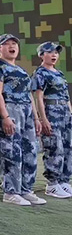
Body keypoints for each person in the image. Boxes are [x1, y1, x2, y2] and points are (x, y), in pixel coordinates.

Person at [0, 34, 45, 206]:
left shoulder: (21, 71)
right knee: (11, 152)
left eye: (14, 44)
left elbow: (29, 95)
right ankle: (11, 192)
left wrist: (36, 118)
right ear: (0, 49)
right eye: (7, 44)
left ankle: (26, 189)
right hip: (9, 110)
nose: (12, 46)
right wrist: (5, 117)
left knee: (29, 151)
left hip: (26, 112)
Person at [33, 42, 72, 199]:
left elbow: (66, 96)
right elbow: (39, 98)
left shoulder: (60, 73)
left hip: (65, 114)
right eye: (50, 52)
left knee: (68, 147)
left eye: (56, 52)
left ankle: (64, 180)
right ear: (42, 55)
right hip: (51, 112)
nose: (54, 55)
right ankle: (52, 184)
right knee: (55, 147)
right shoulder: (40, 73)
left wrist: (70, 113)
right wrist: (43, 119)